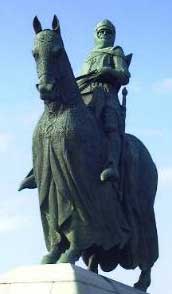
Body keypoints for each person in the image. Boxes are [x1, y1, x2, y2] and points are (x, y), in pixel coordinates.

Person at [77, 19, 132, 183]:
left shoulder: (115, 51)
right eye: (101, 32)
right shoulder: (89, 56)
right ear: (96, 34)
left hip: (107, 94)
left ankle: (112, 164)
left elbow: (124, 75)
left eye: (108, 32)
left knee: (111, 125)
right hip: (84, 93)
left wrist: (108, 71)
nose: (104, 35)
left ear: (113, 35)